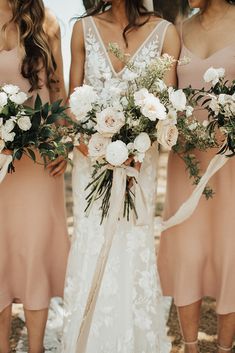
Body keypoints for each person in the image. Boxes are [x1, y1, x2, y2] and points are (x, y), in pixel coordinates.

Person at [61, 0, 180, 352]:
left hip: (138, 167)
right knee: (92, 243)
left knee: (132, 246)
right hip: (91, 164)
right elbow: (73, 105)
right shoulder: (82, 29)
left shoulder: (166, 34)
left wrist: (136, 149)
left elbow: (167, 109)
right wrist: (94, 149)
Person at [158, 1, 235, 352]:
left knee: (229, 254)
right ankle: (190, 347)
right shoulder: (179, 29)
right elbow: (164, 96)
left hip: (230, 164)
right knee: (187, 254)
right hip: (185, 162)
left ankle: (223, 348)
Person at [0, 1, 70, 352]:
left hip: (40, 163)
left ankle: (37, 348)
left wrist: (65, 145)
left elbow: (57, 91)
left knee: (34, 253)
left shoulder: (47, 22)